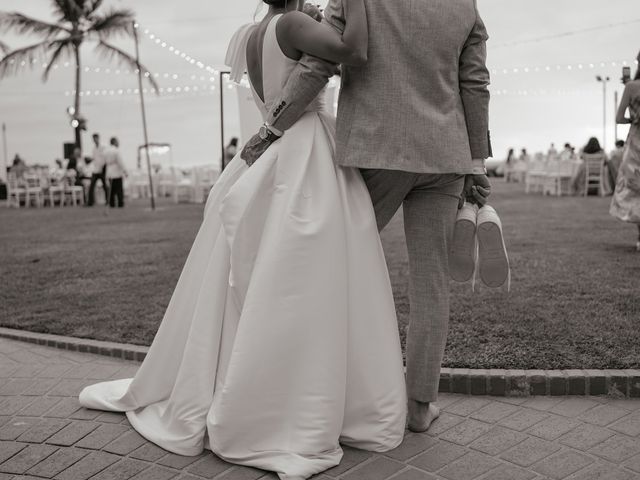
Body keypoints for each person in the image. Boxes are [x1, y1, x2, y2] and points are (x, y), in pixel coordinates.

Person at [80, 1, 414, 478]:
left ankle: (271, 389)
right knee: (309, 278)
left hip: (274, 148)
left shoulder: (251, 33)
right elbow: (354, 51)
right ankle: (301, 403)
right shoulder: (296, 24)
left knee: (268, 275)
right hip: (306, 153)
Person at [241, 0, 491, 435]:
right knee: (430, 285)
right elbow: (475, 84)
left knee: (335, 267)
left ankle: (324, 394)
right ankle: (419, 407)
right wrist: (476, 163)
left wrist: (272, 127)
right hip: (444, 158)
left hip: (377, 153)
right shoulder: (463, 4)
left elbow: (317, 65)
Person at [610, 56, 640, 251]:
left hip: (637, 141)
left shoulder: (631, 87)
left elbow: (619, 118)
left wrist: (634, 118)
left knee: (636, 188)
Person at [104, 137, 127, 208]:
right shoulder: (116, 151)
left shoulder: (106, 151)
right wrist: (125, 171)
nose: (118, 143)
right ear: (114, 142)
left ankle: (112, 203)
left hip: (109, 171)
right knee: (119, 189)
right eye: (117, 141)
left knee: (111, 189)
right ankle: (120, 203)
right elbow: (120, 162)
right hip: (116, 171)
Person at [88, 133, 108, 206]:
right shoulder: (93, 149)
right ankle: (90, 202)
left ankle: (108, 200)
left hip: (102, 169)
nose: (94, 140)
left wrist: (103, 167)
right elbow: (94, 159)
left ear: (98, 138)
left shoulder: (103, 147)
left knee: (105, 185)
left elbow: (104, 158)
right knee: (92, 185)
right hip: (96, 169)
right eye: (93, 138)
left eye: (95, 138)